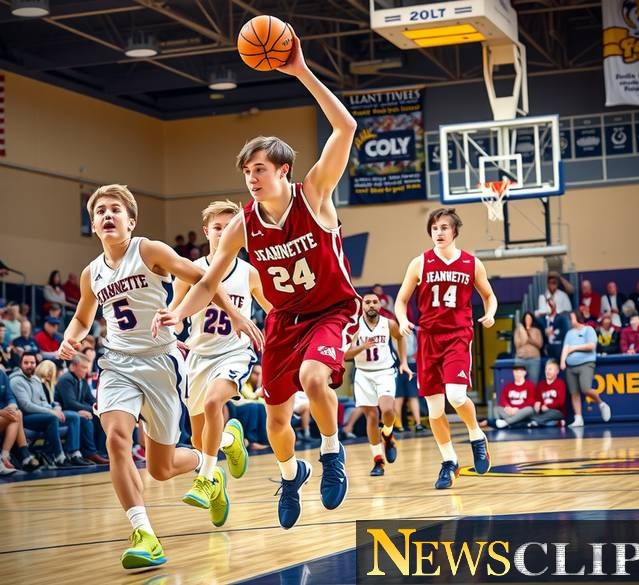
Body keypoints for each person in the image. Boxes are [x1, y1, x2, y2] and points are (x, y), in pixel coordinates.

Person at [153, 30, 359, 529]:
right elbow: (208, 280)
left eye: (260, 168)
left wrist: (300, 71)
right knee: (275, 421)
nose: (251, 176)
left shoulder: (314, 194)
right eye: (247, 170)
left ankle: (332, 455)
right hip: (285, 320)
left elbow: (346, 126)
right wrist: (177, 312)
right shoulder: (244, 222)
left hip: (331, 310)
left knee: (315, 378)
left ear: (284, 170)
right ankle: (292, 474)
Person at [59, 184, 261, 569]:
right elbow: (84, 316)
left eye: (115, 209)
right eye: (100, 211)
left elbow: (203, 279)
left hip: (161, 362)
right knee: (117, 439)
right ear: (94, 225)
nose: (107, 215)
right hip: (117, 362)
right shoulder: (91, 274)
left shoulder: (148, 250)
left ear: (131, 221)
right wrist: (71, 339)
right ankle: (144, 534)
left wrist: (236, 314)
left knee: (161, 469)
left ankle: (210, 469)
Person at [170, 200, 269, 520]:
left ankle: (205, 479)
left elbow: (274, 310)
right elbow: (175, 309)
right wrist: (170, 326)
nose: (224, 232)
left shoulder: (250, 273)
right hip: (198, 355)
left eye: (230, 228)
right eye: (217, 227)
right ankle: (229, 442)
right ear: (206, 232)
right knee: (201, 440)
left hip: (236, 351)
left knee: (214, 404)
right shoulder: (190, 268)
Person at [394, 208, 497, 489]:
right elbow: (401, 300)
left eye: (444, 227)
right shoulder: (420, 263)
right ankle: (449, 462)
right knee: (435, 410)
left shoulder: (472, 263)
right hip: (428, 338)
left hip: (457, 335)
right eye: (434, 228)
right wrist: (402, 320)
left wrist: (490, 314)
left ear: (454, 231)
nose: (438, 232)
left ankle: (476, 435)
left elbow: (489, 295)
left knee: (455, 395)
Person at [343, 293, 411, 476]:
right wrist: (361, 347)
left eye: (374, 302)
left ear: (380, 305)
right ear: (362, 305)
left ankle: (387, 433)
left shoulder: (389, 323)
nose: (371, 305)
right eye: (367, 302)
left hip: (385, 372)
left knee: (388, 411)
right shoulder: (354, 327)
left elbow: (400, 338)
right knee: (372, 417)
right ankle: (378, 461)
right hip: (363, 374)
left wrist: (403, 362)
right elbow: (344, 354)